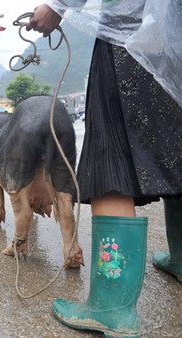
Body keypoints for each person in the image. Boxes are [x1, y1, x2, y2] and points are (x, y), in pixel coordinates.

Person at [26, 1, 182, 337]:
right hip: (175, 41)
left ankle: (111, 309)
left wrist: (57, 5)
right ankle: (180, 259)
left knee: (111, 161)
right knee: (177, 153)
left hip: (131, 43)